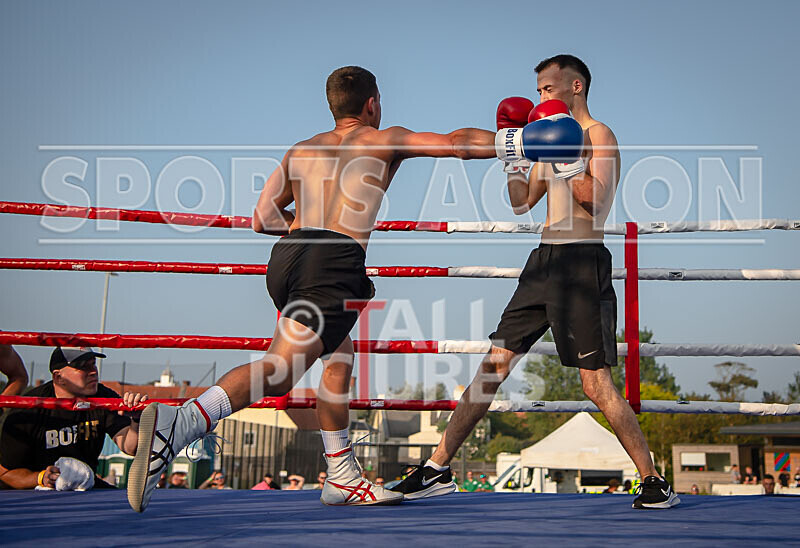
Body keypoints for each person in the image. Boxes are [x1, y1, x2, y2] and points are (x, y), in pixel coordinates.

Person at [126, 65, 497, 512]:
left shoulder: (301, 150)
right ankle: (183, 420)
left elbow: (263, 217)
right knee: (281, 368)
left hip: (288, 258)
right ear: (372, 104)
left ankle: (341, 475)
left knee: (338, 360)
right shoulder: (383, 139)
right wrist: (519, 143)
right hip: (332, 263)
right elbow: (456, 144)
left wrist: (307, 230)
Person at [391, 54, 680, 510]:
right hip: (541, 263)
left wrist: (566, 158)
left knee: (595, 383)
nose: (541, 96)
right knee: (492, 367)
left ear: (576, 86)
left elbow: (596, 200)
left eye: (549, 87)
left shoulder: (598, 134)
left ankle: (653, 480)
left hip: (582, 263)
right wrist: (513, 160)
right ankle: (438, 467)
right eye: (540, 89)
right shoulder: (544, 137)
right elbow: (521, 203)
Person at [0, 347, 145, 489]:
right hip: (35, 494)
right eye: (83, 367)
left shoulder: (103, 397)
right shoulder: (29, 409)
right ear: (58, 377)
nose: (93, 371)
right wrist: (41, 477)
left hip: (85, 486)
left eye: (93, 363)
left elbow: (130, 447)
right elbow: (5, 473)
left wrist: (136, 420)